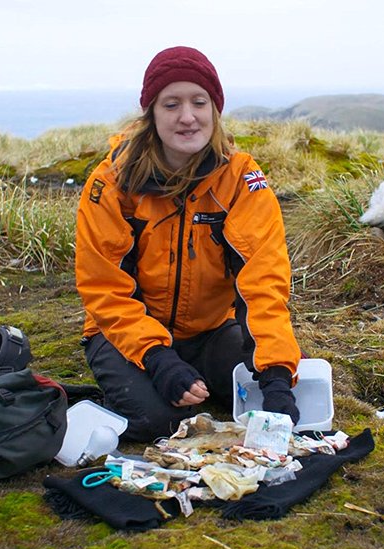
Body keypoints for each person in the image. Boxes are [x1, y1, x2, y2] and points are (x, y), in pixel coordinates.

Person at [74, 46, 301, 442]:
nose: (187, 117)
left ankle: (207, 373)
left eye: (199, 102)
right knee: (161, 424)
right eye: (171, 104)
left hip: (208, 332)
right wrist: (159, 359)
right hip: (122, 333)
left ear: (215, 110)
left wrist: (278, 373)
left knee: (265, 400)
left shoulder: (241, 180)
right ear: (151, 113)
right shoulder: (110, 183)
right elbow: (104, 289)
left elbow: (264, 283)